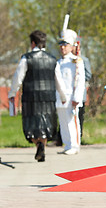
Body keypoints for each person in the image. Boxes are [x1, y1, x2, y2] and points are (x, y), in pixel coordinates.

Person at [8, 30, 66, 162]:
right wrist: (63, 97)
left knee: (31, 126)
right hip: (48, 97)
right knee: (46, 125)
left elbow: (18, 78)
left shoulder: (26, 58)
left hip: (31, 97)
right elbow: (59, 81)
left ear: (33, 43)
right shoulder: (52, 60)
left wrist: (12, 93)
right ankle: (42, 145)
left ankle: (38, 144)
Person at [56, 29, 86, 155]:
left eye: (65, 45)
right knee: (63, 123)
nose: (63, 47)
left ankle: (74, 145)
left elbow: (80, 81)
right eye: (61, 45)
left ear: (71, 46)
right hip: (60, 97)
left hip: (71, 98)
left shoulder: (76, 61)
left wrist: (77, 98)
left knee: (72, 122)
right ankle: (67, 144)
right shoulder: (58, 62)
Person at [72, 39, 92, 141]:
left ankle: (78, 137)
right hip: (68, 94)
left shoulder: (83, 59)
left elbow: (88, 75)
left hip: (80, 93)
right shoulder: (68, 59)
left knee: (79, 116)